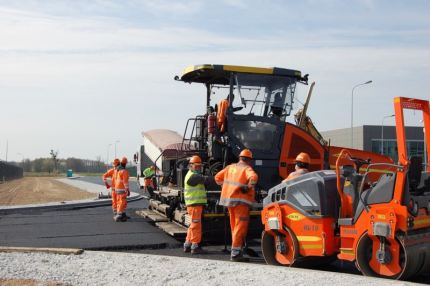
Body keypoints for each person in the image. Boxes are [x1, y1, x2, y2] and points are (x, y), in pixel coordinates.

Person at [215, 149, 258, 262]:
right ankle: (235, 252)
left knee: (234, 226)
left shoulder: (230, 167)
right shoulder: (247, 169)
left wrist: (226, 187)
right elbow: (254, 179)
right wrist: (248, 187)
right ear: (249, 160)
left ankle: (236, 249)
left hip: (229, 201)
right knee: (240, 227)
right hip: (241, 202)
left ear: (240, 158)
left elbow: (217, 178)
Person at [183, 155, 214, 255]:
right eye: (196, 166)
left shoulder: (192, 175)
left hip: (194, 204)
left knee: (192, 225)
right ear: (190, 166)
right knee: (196, 225)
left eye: (199, 166)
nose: (198, 168)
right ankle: (195, 246)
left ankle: (187, 244)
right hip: (194, 204)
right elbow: (206, 179)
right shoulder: (193, 176)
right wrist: (217, 178)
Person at [113, 157, 130, 222]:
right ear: (125, 163)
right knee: (122, 201)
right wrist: (127, 189)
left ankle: (123, 214)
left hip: (117, 188)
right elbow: (125, 181)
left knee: (120, 201)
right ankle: (119, 215)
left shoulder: (118, 170)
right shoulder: (124, 171)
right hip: (122, 188)